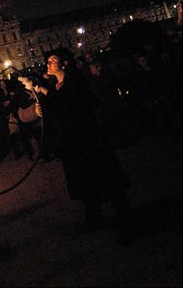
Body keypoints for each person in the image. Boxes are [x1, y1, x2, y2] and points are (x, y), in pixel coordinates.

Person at [21, 47, 135, 245]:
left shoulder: (75, 81)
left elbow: (68, 103)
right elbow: (55, 105)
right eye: (48, 61)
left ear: (64, 63)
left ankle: (127, 222)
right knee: (84, 180)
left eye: (52, 60)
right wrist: (39, 103)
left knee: (105, 177)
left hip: (88, 138)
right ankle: (94, 218)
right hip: (71, 141)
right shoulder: (56, 85)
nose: (48, 63)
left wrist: (40, 91)